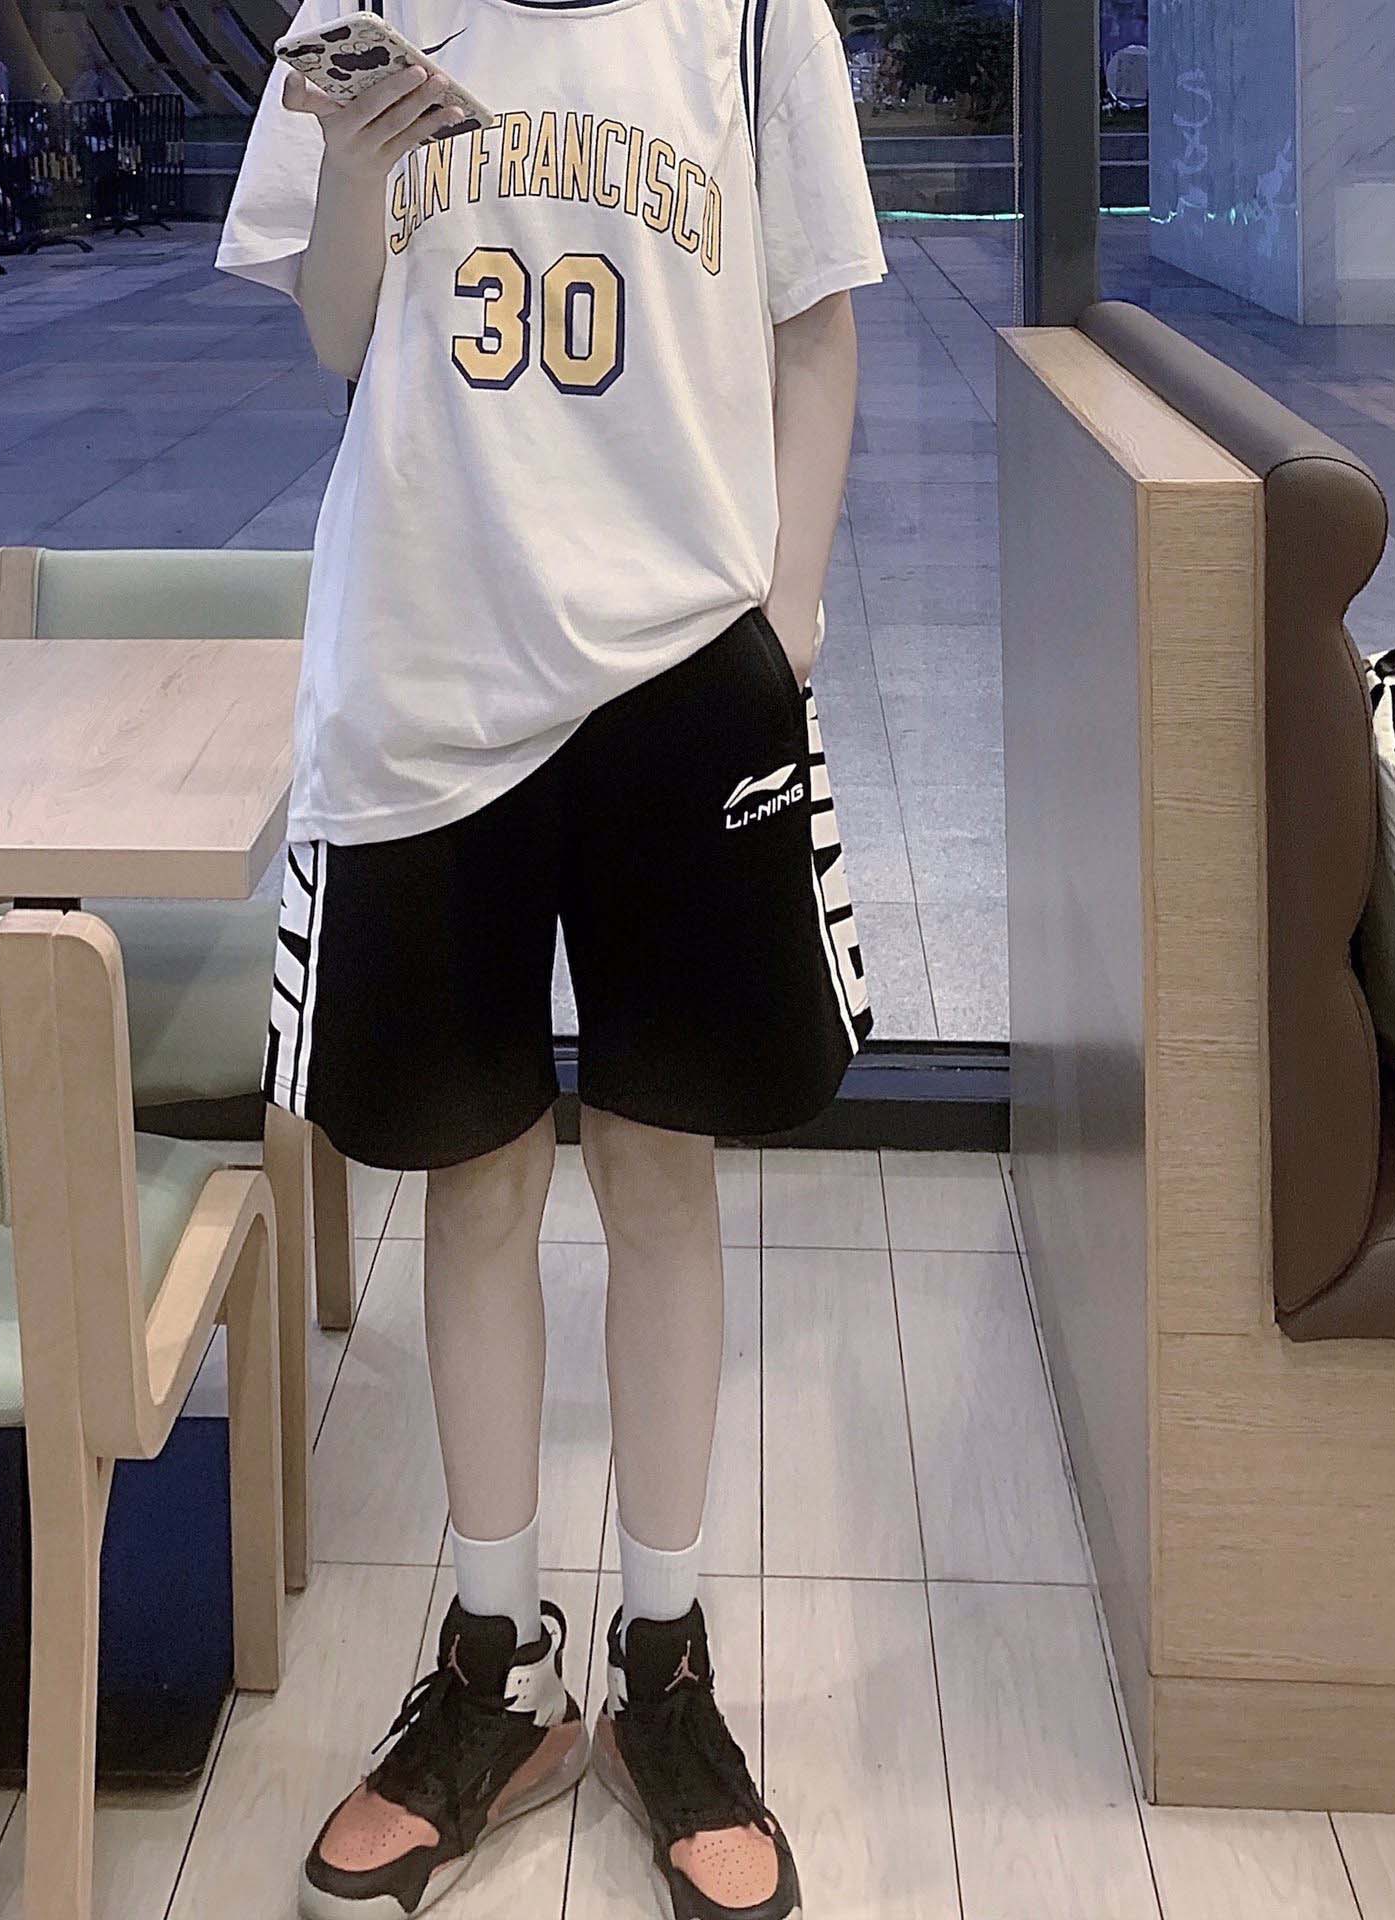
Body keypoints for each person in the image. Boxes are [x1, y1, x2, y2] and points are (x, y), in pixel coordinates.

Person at [218, 2, 882, 1913]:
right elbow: (335, 333)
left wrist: (787, 620)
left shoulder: (750, 15)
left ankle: (663, 1665)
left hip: (679, 672)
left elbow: (814, 322)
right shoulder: (362, 15)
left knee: (661, 1173)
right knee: (477, 1180)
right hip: (431, 672)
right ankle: (496, 1665)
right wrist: (361, 171)